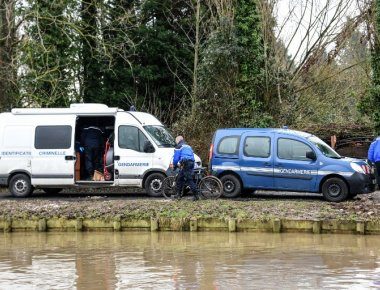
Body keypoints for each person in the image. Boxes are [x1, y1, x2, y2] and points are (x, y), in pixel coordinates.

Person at [169, 136, 200, 201]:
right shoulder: (188, 146)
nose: (176, 142)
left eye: (176, 141)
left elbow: (176, 158)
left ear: (178, 140)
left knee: (189, 180)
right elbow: (191, 155)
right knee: (180, 178)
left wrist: (174, 166)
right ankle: (178, 195)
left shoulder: (179, 146)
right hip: (191, 162)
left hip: (186, 163)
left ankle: (196, 195)